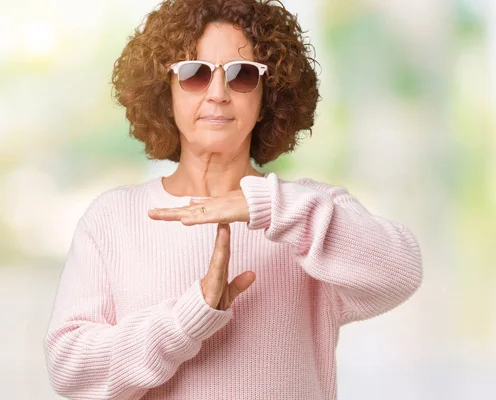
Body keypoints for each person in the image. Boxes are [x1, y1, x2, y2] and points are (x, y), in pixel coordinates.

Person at [42, 0, 423, 399]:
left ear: (266, 97)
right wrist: (187, 320)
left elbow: (400, 272)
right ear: (165, 91)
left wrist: (270, 207)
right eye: (194, 74)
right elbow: (70, 369)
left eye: (242, 75)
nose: (218, 93)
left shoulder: (306, 213)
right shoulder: (113, 219)